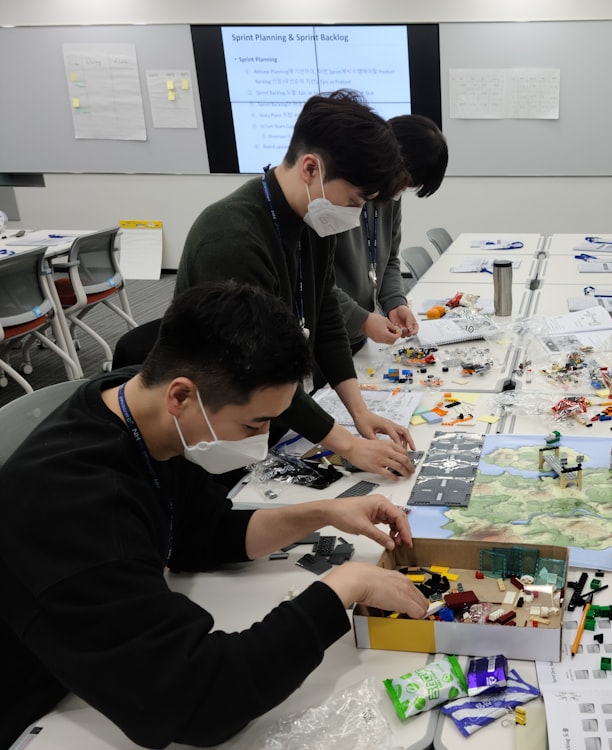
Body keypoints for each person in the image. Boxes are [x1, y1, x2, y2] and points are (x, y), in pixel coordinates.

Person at [0, 282, 428, 749]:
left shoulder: (139, 411)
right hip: (35, 709)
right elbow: (200, 702)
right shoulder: (75, 506)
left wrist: (325, 511)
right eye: (254, 423)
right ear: (181, 396)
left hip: (94, 662)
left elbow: (203, 534)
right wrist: (342, 587)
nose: (263, 441)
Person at [176, 90, 415, 481]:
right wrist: (350, 446)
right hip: (216, 432)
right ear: (310, 169)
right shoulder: (232, 238)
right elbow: (260, 371)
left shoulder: (313, 222)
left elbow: (327, 318)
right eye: (355, 199)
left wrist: (359, 413)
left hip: (267, 417)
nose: (355, 214)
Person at [333, 114, 449, 353]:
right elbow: (316, 283)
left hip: (357, 337)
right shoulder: (338, 197)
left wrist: (396, 302)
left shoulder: (389, 197)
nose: (399, 192)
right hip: (327, 335)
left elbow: (389, 260)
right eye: (403, 182)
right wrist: (361, 320)